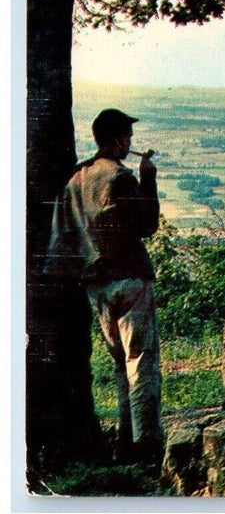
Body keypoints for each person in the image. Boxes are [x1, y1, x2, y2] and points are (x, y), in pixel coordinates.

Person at [45, 108, 163, 465]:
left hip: (97, 286)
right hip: (130, 280)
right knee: (140, 359)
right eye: (126, 136)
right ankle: (145, 443)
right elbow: (148, 225)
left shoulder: (76, 181)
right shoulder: (120, 177)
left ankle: (125, 440)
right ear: (113, 139)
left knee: (118, 363)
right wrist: (149, 179)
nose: (129, 143)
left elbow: (63, 238)